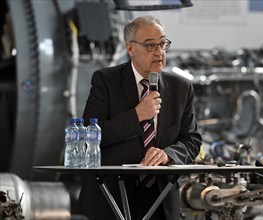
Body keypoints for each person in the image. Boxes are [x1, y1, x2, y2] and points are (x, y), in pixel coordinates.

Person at [77, 15, 202, 220]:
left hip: (160, 198)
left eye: (162, 44)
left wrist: (168, 154)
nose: (159, 52)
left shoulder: (181, 87)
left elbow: (192, 140)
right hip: (111, 196)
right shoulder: (105, 81)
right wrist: (136, 115)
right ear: (130, 48)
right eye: (150, 45)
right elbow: (89, 137)